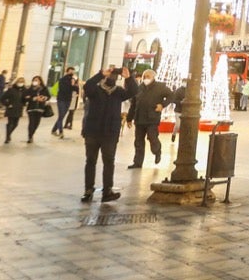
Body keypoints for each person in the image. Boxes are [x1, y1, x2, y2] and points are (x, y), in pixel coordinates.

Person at [81, 63, 136, 202]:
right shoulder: (95, 90)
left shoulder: (118, 92)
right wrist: (100, 74)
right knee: (91, 161)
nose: (111, 76)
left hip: (110, 133)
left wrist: (129, 78)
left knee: (109, 162)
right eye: (109, 74)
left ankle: (107, 191)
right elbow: (87, 86)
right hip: (93, 131)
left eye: (113, 74)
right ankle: (88, 190)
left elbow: (133, 91)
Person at [127, 69, 174, 168]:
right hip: (139, 119)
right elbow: (133, 104)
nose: (145, 78)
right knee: (138, 141)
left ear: (153, 77)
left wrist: (162, 105)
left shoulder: (160, 87)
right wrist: (129, 118)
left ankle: (157, 151)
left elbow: (171, 96)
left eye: (148, 76)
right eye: (144, 76)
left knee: (152, 137)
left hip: (152, 118)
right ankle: (137, 162)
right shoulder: (139, 88)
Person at [24, 76, 53, 143]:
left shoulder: (44, 89)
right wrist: (33, 98)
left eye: (37, 80)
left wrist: (43, 98)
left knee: (36, 123)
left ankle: (32, 133)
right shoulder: (30, 89)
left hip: (40, 108)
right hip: (31, 108)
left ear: (40, 81)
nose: (35, 81)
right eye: (34, 80)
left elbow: (48, 96)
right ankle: (30, 136)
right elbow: (25, 97)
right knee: (31, 122)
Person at [52, 71, 79, 137]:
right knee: (61, 116)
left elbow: (76, 89)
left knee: (61, 116)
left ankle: (54, 129)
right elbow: (64, 89)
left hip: (68, 100)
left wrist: (73, 84)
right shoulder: (62, 80)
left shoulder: (72, 81)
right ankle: (61, 132)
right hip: (61, 99)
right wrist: (71, 85)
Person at [2, 77, 26, 143]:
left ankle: (9, 134)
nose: (20, 83)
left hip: (18, 109)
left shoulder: (24, 90)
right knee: (10, 123)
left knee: (15, 124)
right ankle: (7, 137)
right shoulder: (11, 90)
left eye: (22, 82)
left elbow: (25, 99)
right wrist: (8, 104)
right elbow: (2, 98)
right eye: (19, 81)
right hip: (11, 109)